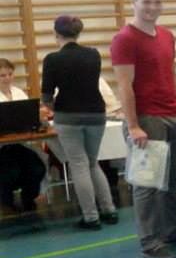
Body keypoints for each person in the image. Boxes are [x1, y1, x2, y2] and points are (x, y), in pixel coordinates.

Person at [110, 0, 176, 258]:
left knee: (171, 180)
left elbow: (167, 73)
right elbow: (124, 85)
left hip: (174, 114)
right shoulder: (124, 39)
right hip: (147, 119)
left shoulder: (166, 35)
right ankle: (150, 241)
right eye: (146, 2)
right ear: (134, 3)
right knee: (147, 183)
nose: (152, 7)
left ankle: (171, 230)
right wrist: (133, 125)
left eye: (157, 2)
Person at [41, 16, 118, 229]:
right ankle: (109, 209)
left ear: (56, 33)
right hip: (96, 114)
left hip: (68, 116)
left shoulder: (52, 59)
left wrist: (53, 108)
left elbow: (46, 96)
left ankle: (91, 216)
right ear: (78, 32)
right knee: (93, 163)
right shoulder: (93, 54)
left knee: (78, 165)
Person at [0, 58, 46, 214]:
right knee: (10, 171)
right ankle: (6, 202)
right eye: (2, 75)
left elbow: (29, 117)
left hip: (20, 144)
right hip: (2, 147)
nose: (7, 78)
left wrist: (39, 117)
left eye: (10, 74)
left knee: (37, 167)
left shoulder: (19, 92)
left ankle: (29, 198)